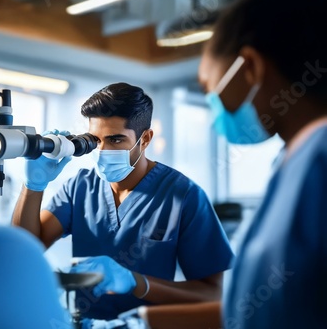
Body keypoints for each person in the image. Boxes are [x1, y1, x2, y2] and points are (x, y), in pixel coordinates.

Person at [12, 82, 234, 320]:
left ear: (145, 139)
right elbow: (24, 250)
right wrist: (34, 186)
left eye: (116, 140)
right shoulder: (80, 186)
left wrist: (136, 283)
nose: (103, 150)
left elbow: (215, 294)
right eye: (95, 141)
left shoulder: (183, 196)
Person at [193, 0, 327, 328]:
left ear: (249, 66)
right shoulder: (293, 158)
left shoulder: (319, 155)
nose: (214, 109)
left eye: (211, 91)